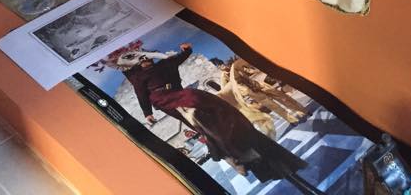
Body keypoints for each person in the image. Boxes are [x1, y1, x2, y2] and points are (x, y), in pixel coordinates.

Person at [122, 44, 309, 183]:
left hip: (181, 93)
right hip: (164, 99)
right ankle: (227, 153)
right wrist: (147, 113)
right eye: (141, 59)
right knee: (195, 102)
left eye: (146, 57)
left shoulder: (166, 63)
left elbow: (182, 56)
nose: (145, 60)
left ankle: (240, 145)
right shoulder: (138, 77)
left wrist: (187, 50)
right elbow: (141, 95)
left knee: (218, 108)